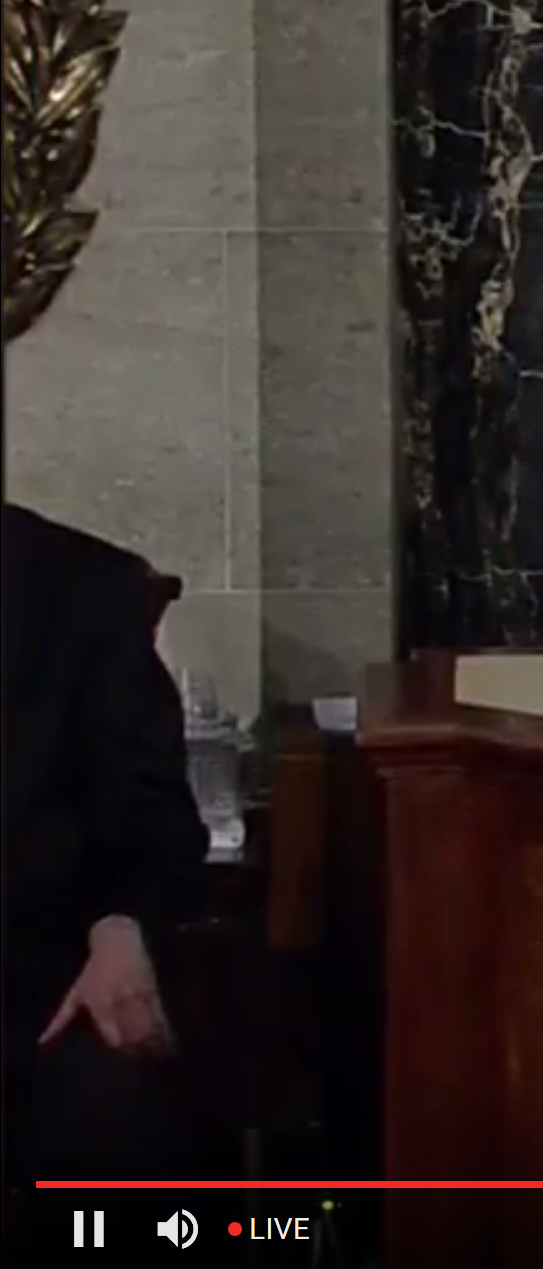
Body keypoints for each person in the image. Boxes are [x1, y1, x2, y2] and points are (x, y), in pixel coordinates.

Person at [2, 502, 209, 1189]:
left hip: (36, 979)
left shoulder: (80, 586)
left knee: (109, 1112)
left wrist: (122, 930)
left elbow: (154, 821)